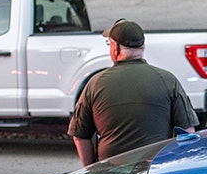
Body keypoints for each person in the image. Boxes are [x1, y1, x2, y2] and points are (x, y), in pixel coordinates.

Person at [68, 19, 199, 165]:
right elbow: (187, 132)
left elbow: (80, 136)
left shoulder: (95, 83)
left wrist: (91, 169)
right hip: (154, 170)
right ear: (142, 47)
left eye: (109, 44)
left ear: (116, 48)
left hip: (110, 172)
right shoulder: (167, 80)